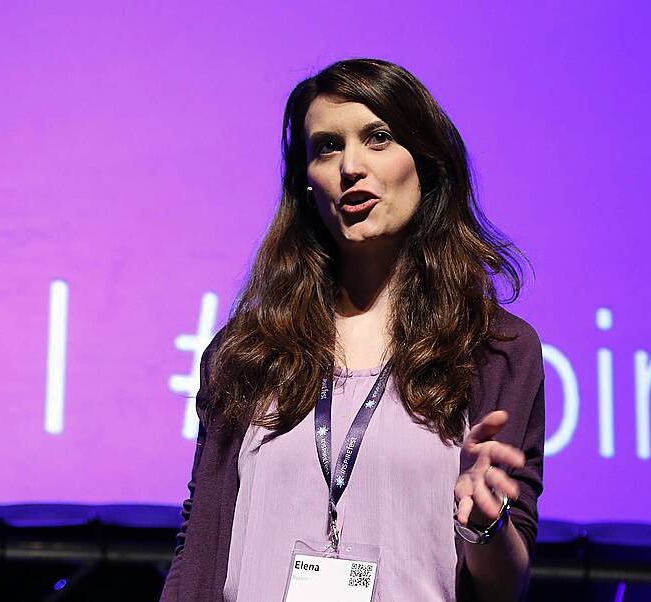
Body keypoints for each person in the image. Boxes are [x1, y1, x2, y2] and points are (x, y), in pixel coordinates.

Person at [160, 58, 545, 602]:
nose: (350, 166)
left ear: (427, 163)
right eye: (327, 146)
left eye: (378, 138)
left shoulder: (495, 350)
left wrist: (484, 521)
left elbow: (506, 586)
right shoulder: (246, 351)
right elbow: (198, 546)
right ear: (306, 182)